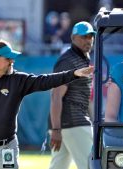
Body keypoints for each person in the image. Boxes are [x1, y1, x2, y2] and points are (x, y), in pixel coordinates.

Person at [0, 39, 93, 169]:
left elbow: (45, 81)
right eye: (8, 58)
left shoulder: (17, 80)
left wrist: (73, 74)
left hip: (6, 148)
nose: (12, 61)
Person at [49, 21, 96, 169]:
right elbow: (56, 96)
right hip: (74, 123)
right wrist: (56, 129)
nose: (88, 40)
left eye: (90, 36)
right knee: (91, 165)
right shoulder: (68, 61)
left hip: (67, 125)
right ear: (73, 37)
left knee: (58, 166)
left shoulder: (82, 59)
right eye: (83, 37)